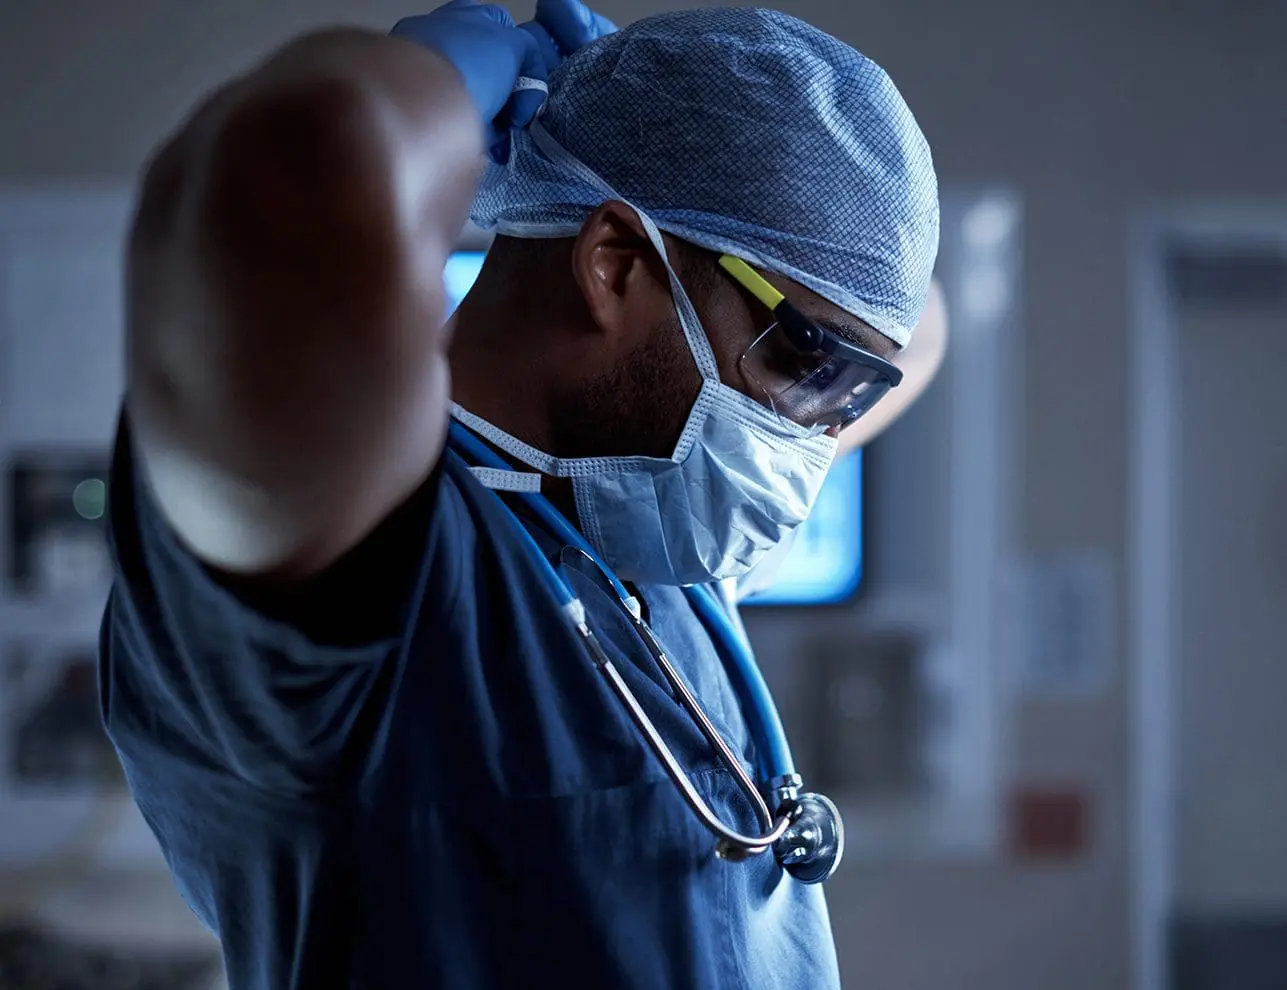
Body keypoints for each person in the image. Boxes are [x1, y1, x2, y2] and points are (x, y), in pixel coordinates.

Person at [99, 1, 939, 987]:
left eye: (848, 398)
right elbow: (295, 173)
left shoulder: (641, 530)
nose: (818, 439)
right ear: (617, 266)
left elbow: (910, 332)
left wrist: (682, 140)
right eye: (808, 364)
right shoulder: (356, 571)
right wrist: (451, 96)